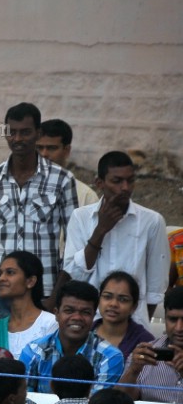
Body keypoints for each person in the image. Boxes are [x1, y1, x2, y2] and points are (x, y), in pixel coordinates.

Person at [0, 102, 78, 299]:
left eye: (25, 132)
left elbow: (75, 242)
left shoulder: (62, 180)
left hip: (44, 291)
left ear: (38, 133)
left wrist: (56, 295)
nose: (18, 139)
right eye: (12, 132)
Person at [63, 150, 169, 324]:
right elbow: (75, 275)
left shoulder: (152, 221)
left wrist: (137, 328)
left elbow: (155, 288)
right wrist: (100, 231)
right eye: (117, 181)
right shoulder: (80, 217)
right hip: (90, 321)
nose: (125, 187)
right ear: (99, 183)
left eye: (130, 180)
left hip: (134, 323)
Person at [20, 280, 125, 393]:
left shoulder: (109, 357)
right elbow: (25, 402)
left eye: (85, 312)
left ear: (93, 316)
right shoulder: (34, 351)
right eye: (69, 310)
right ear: (56, 314)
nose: (77, 317)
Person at [116, 286, 183, 404]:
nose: (179, 328)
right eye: (172, 319)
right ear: (165, 318)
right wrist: (133, 371)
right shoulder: (145, 354)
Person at [0, 251, 58, 359]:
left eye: (10, 272)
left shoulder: (50, 324)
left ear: (30, 281)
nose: (1, 278)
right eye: (0, 273)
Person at [37, 118, 100, 208]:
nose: (44, 154)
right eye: (39, 148)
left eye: (52, 148)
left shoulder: (85, 196)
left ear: (66, 150)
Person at [93, 271, 155, 360]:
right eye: (107, 297)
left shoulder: (144, 341)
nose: (113, 304)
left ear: (134, 306)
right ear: (99, 300)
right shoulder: (86, 332)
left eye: (123, 299)